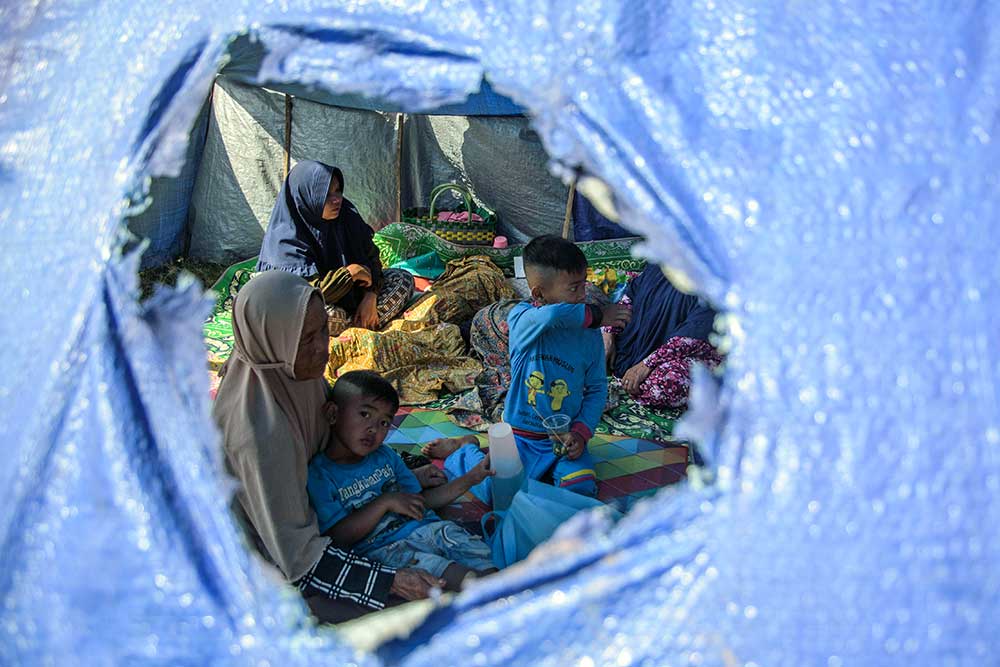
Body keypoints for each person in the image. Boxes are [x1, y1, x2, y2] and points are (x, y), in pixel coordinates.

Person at [213, 271, 443, 624]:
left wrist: (404, 470)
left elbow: (334, 441)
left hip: (328, 506)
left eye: (323, 330)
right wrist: (391, 582)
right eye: (307, 339)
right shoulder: (258, 434)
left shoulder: (290, 373)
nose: (324, 347)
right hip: (273, 554)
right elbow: (296, 556)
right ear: (272, 339)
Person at [425, 235, 630, 500]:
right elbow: (552, 315)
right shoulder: (523, 319)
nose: (583, 296)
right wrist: (598, 315)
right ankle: (465, 449)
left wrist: (580, 433)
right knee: (494, 493)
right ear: (538, 294)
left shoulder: (587, 335)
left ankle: (556, 472)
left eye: (584, 284)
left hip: (563, 440)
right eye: (573, 288)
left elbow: (596, 389)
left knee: (579, 490)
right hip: (519, 439)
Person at [307, 370, 498, 591]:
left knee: (475, 554)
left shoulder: (385, 456)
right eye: (365, 414)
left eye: (384, 423)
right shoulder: (320, 474)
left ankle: (503, 594)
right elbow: (338, 537)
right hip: (384, 550)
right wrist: (385, 502)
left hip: (429, 529)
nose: (373, 429)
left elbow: (421, 501)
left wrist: (472, 477)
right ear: (333, 414)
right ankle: (494, 601)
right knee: (455, 577)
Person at [255, 159, 413, 332]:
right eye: (326, 195)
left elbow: (372, 258)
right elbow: (306, 296)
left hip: (349, 299)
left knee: (402, 279)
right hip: (304, 304)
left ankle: (359, 321)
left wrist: (371, 295)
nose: (337, 199)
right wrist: (348, 275)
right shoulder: (286, 239)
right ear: (306, 197)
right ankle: (359, 324)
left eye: (337, 191)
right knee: (323, 315)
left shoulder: (346, 216)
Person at [602, 264, 723, 408]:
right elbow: (630, 296)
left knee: (667, 384)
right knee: (589, 336)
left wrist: (647, 364)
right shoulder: (659, 264)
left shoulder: (711, 283)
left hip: (688, 352)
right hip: (637, 344)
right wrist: (609, 334)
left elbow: (691, 339)